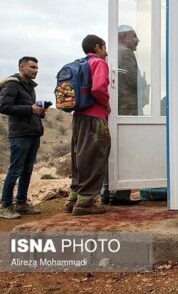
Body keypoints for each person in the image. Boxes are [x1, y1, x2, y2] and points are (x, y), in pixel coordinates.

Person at [64, 35, 111, 216]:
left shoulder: (80, 63)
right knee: (94, 157)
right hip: (94, 117)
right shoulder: (98, 63)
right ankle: (87, 202)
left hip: (79, 118)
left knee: (80, 157)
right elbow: (99, 89)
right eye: (105, 47)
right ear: (98, 47)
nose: (106, 52)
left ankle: (73, 198)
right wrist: (106, 104)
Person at [101, 25, 143, 206]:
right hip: (127, 108)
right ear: (124, 37)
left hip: (115, 109)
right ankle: (121, 195)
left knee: (112, 151)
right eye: (134, 36)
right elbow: (134, 80)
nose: (137, 40)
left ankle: (107, 191)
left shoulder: (111, 53)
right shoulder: (125, 53)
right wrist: (144, 88)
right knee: (127, 150)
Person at [0, 56, 45, 219]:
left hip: (32, 132)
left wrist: (39, 111)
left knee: (27, 170)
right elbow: (3, 106)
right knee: (15, 170)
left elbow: (29, 109)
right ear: (21, 68)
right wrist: (30, 109)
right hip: (19, 135)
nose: (36, 70)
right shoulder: (13, 84)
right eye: (32, 67)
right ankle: (5, 206)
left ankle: (21, 203)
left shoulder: (30, 86)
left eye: (37, 68)